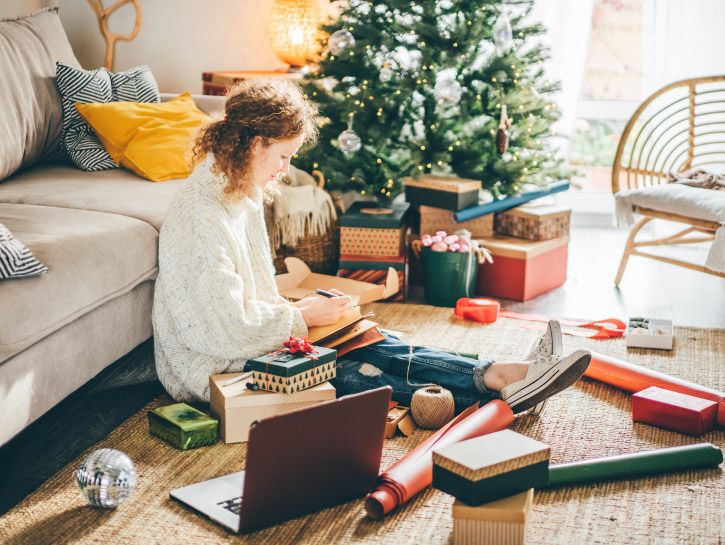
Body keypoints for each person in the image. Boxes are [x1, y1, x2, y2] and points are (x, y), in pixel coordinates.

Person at [152, 79, 591, 416]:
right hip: (210, 366)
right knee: (345, 371)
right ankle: (495, 396)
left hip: (246, 339)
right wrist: (301, 317)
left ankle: (500, 375)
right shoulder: (202, 216)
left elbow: (247, 301)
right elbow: (219, 328)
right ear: (254, 144)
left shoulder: (237, 187)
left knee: (372, 338)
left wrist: (308, 314)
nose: (286, 170)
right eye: (284, 156)